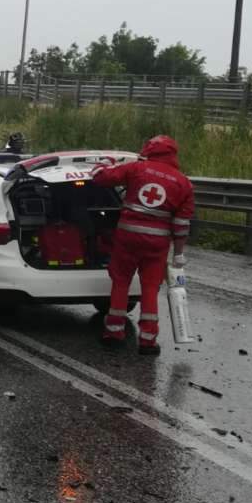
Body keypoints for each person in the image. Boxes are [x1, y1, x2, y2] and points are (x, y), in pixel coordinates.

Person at [90, 135, 194, 355]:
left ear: (150, 149)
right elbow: (182, 224)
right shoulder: (183, 182)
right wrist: (179, 253)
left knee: (120, 282)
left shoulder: (136, 169)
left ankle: (114, 333)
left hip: (127, 238)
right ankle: (148, 340)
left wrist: (106, 163)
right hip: (157, 243)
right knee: (149, 288)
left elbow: (101, 178)